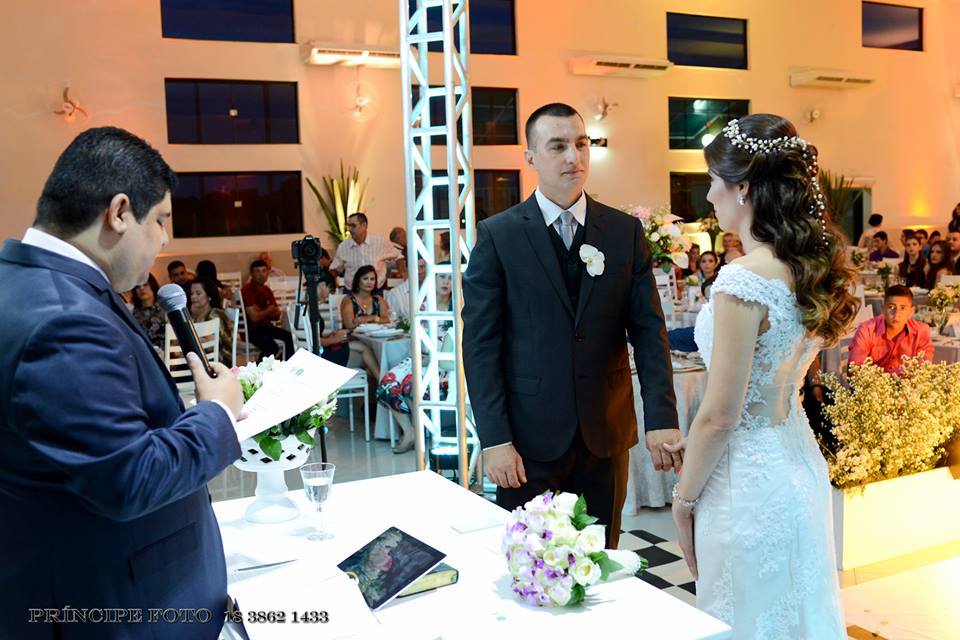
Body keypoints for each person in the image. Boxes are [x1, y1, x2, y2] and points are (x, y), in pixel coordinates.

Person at [0, 126, 244, 639]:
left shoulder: (24, 280)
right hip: (113, 604)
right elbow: (129, 478)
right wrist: (216, 412)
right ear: (118, 213)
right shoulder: (65, 318)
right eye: (160, 220)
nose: (165, 239)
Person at [669, 114, 857, 636]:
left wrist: (683, 500)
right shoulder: (806, 269)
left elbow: (721, 416)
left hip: (745, 484)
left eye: (713, 181)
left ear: (744, 188)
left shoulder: (742, 279)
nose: (709, 196)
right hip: (797, 464)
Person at [462, 102, 680, 550]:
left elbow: (649, 332)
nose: (573, 157)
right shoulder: (499, 236)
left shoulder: (623, 232)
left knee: (600, 560)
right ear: (531, 157)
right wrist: (495, 439)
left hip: (605, 434)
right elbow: (481, 346)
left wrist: (661, 418)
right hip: (527, 441)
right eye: (558, 146)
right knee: (533, 564)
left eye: (581, 144)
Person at [376, 272, 453, 454]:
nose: (446, 282)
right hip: (420, 359)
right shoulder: (424, 306)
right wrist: (419, 355)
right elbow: (415, 337)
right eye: (442, 277)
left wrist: (432, 358)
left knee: (411, 385)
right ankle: (409, 431)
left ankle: (418, 432)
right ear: (434, 279)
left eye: (450, 278)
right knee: (387, 384)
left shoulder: (456, 307)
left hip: (444, 365)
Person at [849, 285, 933, 375]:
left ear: (911, 311)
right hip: (874, 382)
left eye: (902, 308)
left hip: (908, 383)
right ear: (883, 309)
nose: (896, 314)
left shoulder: (921, 331)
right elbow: (854, 371)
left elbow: (924, 371)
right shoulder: (867, 330)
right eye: (891, 307)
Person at [340, 265, 390, 381]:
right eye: (365, 278)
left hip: (376, 339)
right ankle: (384, 383)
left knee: (385, 353)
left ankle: (382, 385)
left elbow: (387, 319)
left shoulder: (378, 299)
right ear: (358, 280)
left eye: (372, 279)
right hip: (353, 341)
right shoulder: (349, 299)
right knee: (373, 357)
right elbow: (350, 324)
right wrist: (377, 319)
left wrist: (370, 318)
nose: (369, 282)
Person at [330, 212, 403, 290]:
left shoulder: (380, 242)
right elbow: (334, 269)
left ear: (364, 226)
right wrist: (333, 285)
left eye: (353, 226)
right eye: (348, 226)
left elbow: (398, 256)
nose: (350, 229)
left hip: (376, 290)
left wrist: (403, 273)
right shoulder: (343, 246)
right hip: (352, 291)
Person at [241, 259, 294, 362]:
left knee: (290, 338)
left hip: (266, 327)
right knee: (272, 347)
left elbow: (277, 315)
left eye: (264, 271)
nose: (261, 274)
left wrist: (262, 312)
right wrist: (269, 310)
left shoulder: (267, 290)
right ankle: (258, 370)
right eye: (257, 271)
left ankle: (283, 366)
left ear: (267, 273)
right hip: (251, 331)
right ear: (251, 274)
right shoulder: (247, 290)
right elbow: (254, 318)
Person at [190, 278, 233, 365]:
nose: (193, 297)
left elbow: (211, 346)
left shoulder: (215, 315)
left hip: (219, 361)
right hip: (203, 359)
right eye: (191, 293)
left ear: (209, 295)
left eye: (198, 293)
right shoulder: (197, 313)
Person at [132, 273, 165, 348]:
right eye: (137, 287)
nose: (141, 288)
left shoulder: (164, 309)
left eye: (145, 285)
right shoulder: (133, 313)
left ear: (152, 286)